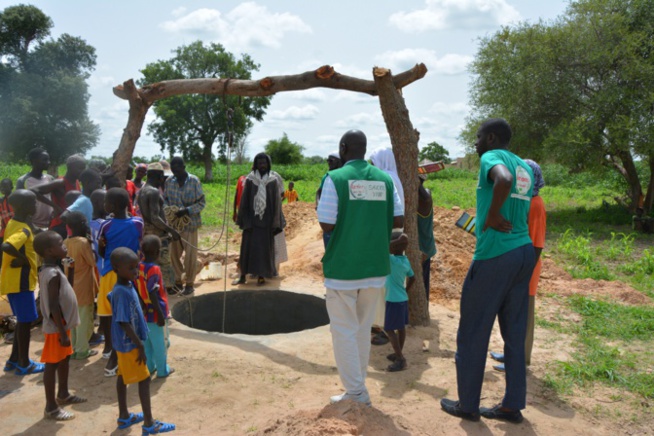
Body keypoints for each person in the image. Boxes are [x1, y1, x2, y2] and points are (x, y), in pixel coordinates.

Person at [440, 118, 535, 424]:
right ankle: (511, 405)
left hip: (495, 255)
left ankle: (468, 405)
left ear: (491, 138)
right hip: (524, 252)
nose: (476, 143)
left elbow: (502, 180)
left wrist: (492, 215)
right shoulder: (525, 167)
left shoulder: (491, 158)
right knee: (514, 333)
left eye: (479, 137)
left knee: (473, 331)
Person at [317, 129, 404, 406]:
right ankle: (356, 388)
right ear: (364, 150)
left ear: (343, 149)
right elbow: (398, 218)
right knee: (363, 328)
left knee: (343, 330)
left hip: (344, 268)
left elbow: (327, 223)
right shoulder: (385, 180)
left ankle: (356, 393)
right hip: (375, 268)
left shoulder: (335, 178)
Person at [108, 247, 175, 434]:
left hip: (123, 343)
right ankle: (149, 424)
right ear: (116, 269)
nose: (135, 272)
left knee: (122, 377)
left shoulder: (126, 286)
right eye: (130, 268)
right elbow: (123, 321)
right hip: (130, 344)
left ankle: (124, 416)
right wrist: (140, 345)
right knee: (144, 380)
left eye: (136, 267)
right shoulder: (122, 291)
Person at [490, 159, 547, 372]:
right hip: (517, 266)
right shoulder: (524, 201)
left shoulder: (536, 204)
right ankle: (511, 354)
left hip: (526, 270)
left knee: (523, 316)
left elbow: (537, 244)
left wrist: (523, 272)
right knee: (512, 314)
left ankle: (520, 360)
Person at [34, 230, 86, 421]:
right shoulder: (52, 274)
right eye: (60, 244)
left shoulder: (53, 271)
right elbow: (54, 305)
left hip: (63, 325)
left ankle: (63, 394)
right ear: (49, 251)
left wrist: (70, 271)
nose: (64, 246)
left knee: (64, 359)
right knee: (52, 364)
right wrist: (63, 333)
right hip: (58, 328)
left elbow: (67, 291)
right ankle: (51, 407)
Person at [98, 188, 144, 376]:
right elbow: (138, 246)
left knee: (109, 316)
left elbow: (102, 252)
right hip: (132, 274)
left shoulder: (106, 226)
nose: (104, 205)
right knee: (129, 314)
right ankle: (121, 352)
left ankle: (109, 349)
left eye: (106, 202)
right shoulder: (138, 223)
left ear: (112, 206)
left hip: (110, 273)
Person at [1, 189, 44, 375]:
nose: (36, 205)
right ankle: (25, 363)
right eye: (33, 203)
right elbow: (7, 245)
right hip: (22, 282)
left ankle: (13, 360)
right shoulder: (23, 229)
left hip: (12, 281)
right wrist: (24, 259)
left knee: (22, 321)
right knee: (26, 323)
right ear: (26, 207)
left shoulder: (14, 222)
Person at [234, 153, 284, 286]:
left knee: (263, 250)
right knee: (246, 249)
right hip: (251, 221)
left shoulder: (273, 181)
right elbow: (244, 201)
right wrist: (245, 220)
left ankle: (261, 276)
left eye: (264, 163)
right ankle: (242, 276)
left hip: (266, 223)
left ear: (268, 165)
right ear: (255, 165)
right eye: (259, 163)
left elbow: (276, 203)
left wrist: (275, 223)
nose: (262, 165)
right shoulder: (250, 180)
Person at [164, 157, 205, 296]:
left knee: (190, 256)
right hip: (174, 224)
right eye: (173, 167)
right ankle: (177, 281)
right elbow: (165, 200)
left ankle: (189, 283)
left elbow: (201, 203)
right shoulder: (169, 181)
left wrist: (187, 210)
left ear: (184, 166)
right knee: (174, 254)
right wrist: (171, 211)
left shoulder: (194, 181)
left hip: (190, 224)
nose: (175, 170)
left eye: (178, 167)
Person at [137, 163, 180, 295]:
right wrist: (171, 230)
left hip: (147, 232)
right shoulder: (154, 192)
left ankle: (153, 286)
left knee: (152, 261)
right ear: (160, 176)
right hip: (158, 233)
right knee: (165, 262)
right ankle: (170, 288)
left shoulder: (142, 191)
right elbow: (155, 218)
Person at [135, 235, 174, 378]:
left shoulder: (139, 267)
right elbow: (153, 293)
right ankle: (163, 370)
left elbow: (136, 288)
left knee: (148, 344)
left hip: (144, 312)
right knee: (162, 344)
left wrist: (142, 306)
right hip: (156, 313)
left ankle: (150, 367)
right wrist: (160, 314)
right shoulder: (154, 270)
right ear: (158, 252)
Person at [64, 212, 99, 360]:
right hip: (84, 286)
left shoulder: (66, 242)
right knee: (84, 319)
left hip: (70, 286)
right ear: (84, 225)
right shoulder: (83, 243)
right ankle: (83, 349)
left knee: (73, 319)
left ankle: (74, 348)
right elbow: (92, 262)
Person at [32, 154, 86, 239]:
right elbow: (34, 190)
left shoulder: (76, 182)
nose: (83, 171)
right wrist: (55, 206)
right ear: (70, 167)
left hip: (72, 225)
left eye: (84, 168)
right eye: (80, 168)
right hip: (60, 225)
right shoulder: (60, 182)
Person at [385, 232, 415, 372]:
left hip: (393, 300)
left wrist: (395, 243)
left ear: (393, 247)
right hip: (403, 298)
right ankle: (398, 353)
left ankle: (400, 359)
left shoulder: (391, 260)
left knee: (389, 329)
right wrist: (405, 290)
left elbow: (382, 248)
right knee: (401, 328)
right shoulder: (405, 260)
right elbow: (412, 278)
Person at [16, 148, 55, 230]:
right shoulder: (23, 181)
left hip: (51, 224)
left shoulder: (50, 179)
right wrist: (33, 228)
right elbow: (19, 206)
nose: (48, 162)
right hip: (33, 226)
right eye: (45, 159)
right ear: (34, 160)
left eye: (48, 159)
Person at [417, 174, 437, 300]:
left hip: (422, 248)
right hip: (425, 246)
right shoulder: (421, 196)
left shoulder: (424, 199)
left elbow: (426, 199)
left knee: (421, 283)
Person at [0, 178, 15, 264]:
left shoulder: (16, 199)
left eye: (5, 186)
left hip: (15, 230)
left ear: (11, 187)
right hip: (4, 231)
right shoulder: (1, 201)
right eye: (1, 187)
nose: (3, 189)